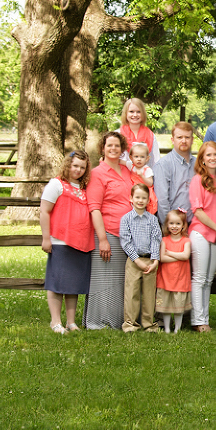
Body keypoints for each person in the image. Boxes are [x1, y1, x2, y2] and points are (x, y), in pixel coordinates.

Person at [40, 150, 94, 334]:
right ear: (68, 165)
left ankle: (71, 322)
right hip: (60, 241)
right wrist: (46, 238)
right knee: (57, 283)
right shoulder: (57, 184)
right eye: (75, 166)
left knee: (73, 284)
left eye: (82, 167)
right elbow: (44, 211)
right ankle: (56, 322)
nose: (78, 170)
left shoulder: (84, 187)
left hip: (81, 242)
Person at [85, 131, 134, 330]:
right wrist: (102, 239)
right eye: (109, 145)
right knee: (105, 280)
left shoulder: (127, 170)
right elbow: (94, 207)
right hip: (108, 233)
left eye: (117, 145)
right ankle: (100, 322)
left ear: (122, 148)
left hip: (127, 235)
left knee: (121, 281)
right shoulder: (97, 173)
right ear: (102, 148)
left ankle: (120, 320)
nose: (113, 149)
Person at [189, 141, 216, 332]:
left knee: (209, 279)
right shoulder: (198, 180)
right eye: (208, 155)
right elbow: (198, 211)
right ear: (201, 159)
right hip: (201, 232)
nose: (212, 158)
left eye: (215, 155)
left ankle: (205, 319)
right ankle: (198, 321)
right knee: (199, 278)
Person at [119, 184, 162, 333]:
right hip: (133, 261)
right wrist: (136, 260)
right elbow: (125, 241)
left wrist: (155, 260)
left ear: (148, 200)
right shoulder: (126, 219)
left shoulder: (152, 220)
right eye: (137, 197)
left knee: (149, 294)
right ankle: (130, 324)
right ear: (131, 198)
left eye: (144, 198)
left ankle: (149, 324)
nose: (140, 200)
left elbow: (156, 239)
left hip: (149, 260)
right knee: (132, 293)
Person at [156, 209, 192, 334]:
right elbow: (162, 258)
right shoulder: (164, 240)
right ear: (167, 224)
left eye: (178, 224)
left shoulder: (186, 241)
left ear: (183, 225)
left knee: (178, 307)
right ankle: (166, 328)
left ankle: (177, 328)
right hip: (166, 279)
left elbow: (186, 256)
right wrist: (178, 255)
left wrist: (170, 253)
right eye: (171, 223)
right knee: (166, 307)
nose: (174, 226)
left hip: (180, 279)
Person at [154, 122, 196, 224]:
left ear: (192, 140)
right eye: (179, 137)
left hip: (195, 224)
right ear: (172, 140)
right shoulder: (163, 165)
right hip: (173, 227)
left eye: (187, 137)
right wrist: (168, 227)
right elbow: (162, 201)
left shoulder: (197, 164)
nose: (184, 141)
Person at [118, 98, 160, 167]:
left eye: (138, 112)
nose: (135, 115)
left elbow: (156, 161)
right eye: (131, 111)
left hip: (145, 176)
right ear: (126, 113)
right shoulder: (118, 135)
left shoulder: (150, 135)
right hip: (122, 176)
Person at [126, 142, 157, 215]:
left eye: (142, 157)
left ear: (147, 158)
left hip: (144, 190)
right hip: (134, 190)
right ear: (131, 158)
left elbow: (150, 183)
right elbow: (120, 161)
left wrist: (142, 176)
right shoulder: (131, 165)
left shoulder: (147, 169)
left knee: (146, 205)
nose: (139, 159)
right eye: (136, 156)